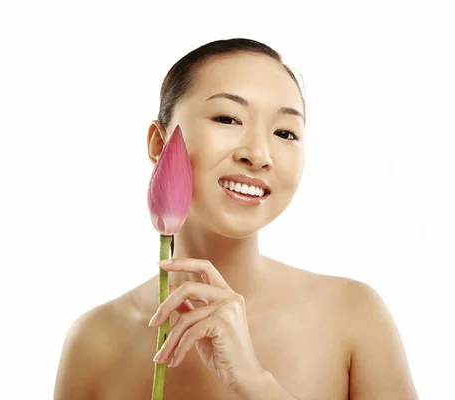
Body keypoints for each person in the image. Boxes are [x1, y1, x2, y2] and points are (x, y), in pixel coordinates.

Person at [53, 38, 418, 400]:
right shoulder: (95, 342)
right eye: (228, 118)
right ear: (158, 143)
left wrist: (256, 383)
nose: (259, 154)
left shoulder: (353, 317)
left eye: (285, 133)